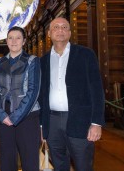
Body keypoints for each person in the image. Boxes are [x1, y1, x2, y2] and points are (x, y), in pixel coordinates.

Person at [40, 17, 105, 171]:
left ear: (69, 32)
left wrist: (96, 123)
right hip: (53, 122)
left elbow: (97, 90)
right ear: (49, 33)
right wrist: (43, 125)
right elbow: (42, 95)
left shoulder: (85, 54)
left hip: (80, 121)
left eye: (64, 27)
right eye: (56, 27)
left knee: (83, 165)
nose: (60, 30)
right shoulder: (43, 61)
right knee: (59, 164)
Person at [0, 26, 41, 171]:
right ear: (6, 41)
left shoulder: (32, 61)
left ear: (24, 41)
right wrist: (1, 115)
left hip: (27, 116)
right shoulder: (0, 62)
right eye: (10, 38)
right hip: (4, 116)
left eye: (18, 37)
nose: (14, 41)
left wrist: (15, 117)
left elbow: (33, 91)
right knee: (6, 161)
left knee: (29, 160)